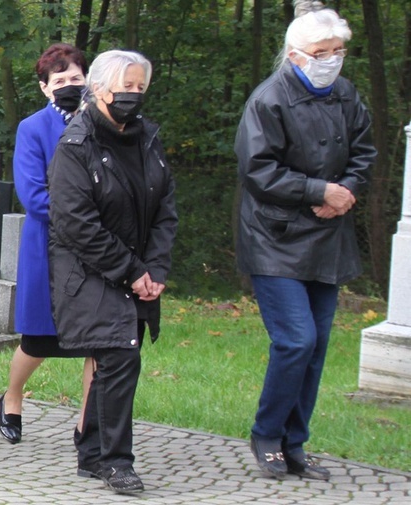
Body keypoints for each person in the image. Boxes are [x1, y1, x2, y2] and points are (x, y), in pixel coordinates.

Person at [235, 0, 375, 481]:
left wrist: (347, 192)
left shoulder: (347, 95)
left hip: (328, 237)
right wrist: (318, 190)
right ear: (296, 54)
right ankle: (266, 433)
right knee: (296, 341)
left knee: (315, 349)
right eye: (322, 50)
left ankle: (295, 443)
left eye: (338, 50)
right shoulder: (268, 99)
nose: (332, 58)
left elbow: (364, 153)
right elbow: (258, 169)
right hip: (274, 238)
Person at [47, 49, 177, 494]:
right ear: (98, 89)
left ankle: (92, 451)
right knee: (120, 358)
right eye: (125, 86)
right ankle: (116, 461)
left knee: (115, 362)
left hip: (138, 271)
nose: (133, 95)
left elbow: (165, 211)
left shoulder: (148, 140)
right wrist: (130, 271)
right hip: (88, 273)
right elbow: (76, 223)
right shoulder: (75, 146)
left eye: (140, 87)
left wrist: (155, 268)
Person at [0, 43, 92, 445]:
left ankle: (89, 425)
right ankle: (12, 396)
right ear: (44, 87)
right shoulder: (33, 128)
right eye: (60, 80)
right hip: (49, 247)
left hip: (98, 252)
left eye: (76, 78)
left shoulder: (103, 123)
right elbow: (33, 195)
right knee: (38, 341)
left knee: (99, 343)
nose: (69, 85)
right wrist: (87, 221)